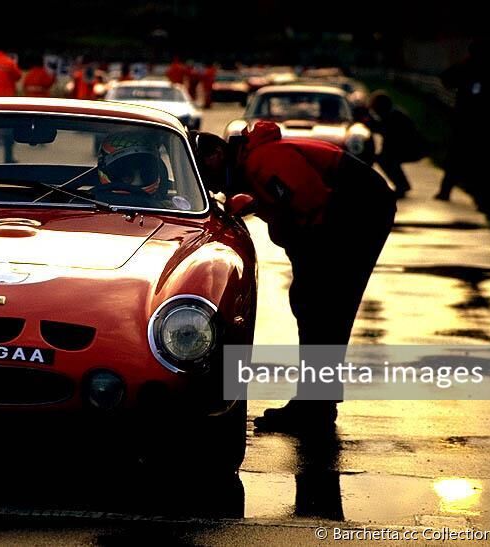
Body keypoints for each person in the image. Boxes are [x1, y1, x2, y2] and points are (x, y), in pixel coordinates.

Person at [194, 122, 396, 432]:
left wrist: (303, 253)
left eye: (204, 168)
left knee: (322, 306)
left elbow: (311, 202)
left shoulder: (263, 160)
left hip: (358, 209)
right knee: (317, 306)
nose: (208, 181)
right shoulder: (252, 166)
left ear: (219, 152)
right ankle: (317, 404)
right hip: (350, 209)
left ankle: (314, 408)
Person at [436, 40, 490, 202]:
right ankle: (450, 191)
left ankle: (449, 191)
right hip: (469, 121)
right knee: (463, 157)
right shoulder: (469, 68)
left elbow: (446, 78)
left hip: (470, 121)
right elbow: (447, 78)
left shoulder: (471, 68)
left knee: (459, 157)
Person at [367, 91, 424, 199]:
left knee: (386, 159)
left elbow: (385, 133)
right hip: (408, 148)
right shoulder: (392, 114)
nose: (374, 110)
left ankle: (402, 186)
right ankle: (402, 185)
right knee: (386, 158)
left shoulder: (393, 117)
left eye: (374, 107)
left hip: (412, 149)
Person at [96, 132, 167, 200]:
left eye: (145, 171)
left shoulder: (168, 207)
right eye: (126, 174)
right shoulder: (92, 204)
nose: (137, 182)